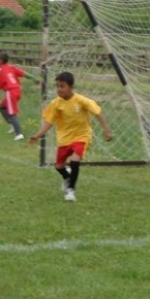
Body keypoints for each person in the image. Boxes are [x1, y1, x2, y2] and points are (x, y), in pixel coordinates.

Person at [29, 71, 113, 202]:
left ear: (71, 87)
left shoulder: (81, 101)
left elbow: (98, 113)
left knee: (75, 160)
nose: (59, 89)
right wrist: (37, 135)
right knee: (59, 166)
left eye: (62, 86)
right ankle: (67, 177)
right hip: (64, 139)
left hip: (82, 136)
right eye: (57, 86)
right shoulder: (56, 104)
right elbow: (49, 122)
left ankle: (70, 190)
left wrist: (107, 130)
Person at [0, 52, 38, 141]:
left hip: (10, 92)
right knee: (1, 107)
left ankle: (19, 134)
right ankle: (12, 125)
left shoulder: (0, 70)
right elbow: (24, 74)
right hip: (17, 90)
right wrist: (34, 78)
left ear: (0, 61)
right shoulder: (11, 67)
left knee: (12, 112)